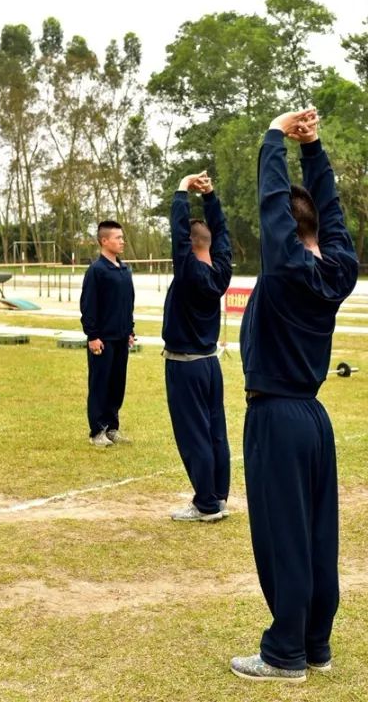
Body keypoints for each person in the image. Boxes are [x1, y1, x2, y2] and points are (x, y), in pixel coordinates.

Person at [231, 109, 359, 683]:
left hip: (278, 417)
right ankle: (316, 641)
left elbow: (273, 206)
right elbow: (330, 217)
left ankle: (285, 652)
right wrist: (315, 151)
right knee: (315, 535)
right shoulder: (337, 270)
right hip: (313, 417)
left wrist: (274, 138)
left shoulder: (284, 269)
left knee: (284, 536)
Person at [162, 170, 234, 521]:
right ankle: (218, 495)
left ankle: (206, 503)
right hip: (209, 364)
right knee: (215, 431)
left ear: (190, 246)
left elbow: (178, 238)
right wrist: (210, 197)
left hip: (186, 365)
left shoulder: (189, 270)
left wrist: (181, 192)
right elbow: (224, 236)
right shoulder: (220, 271)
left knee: (194, 435)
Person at [80, 220, 136, 447]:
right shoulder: (96, 271)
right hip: (102, 340)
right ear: (104, 241)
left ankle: (112, 428)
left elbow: (128, 303)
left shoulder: (124, 270)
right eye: (118, 238)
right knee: (100, 385)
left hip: (121, 338)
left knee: (116, 385)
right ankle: (97, 431)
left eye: (122, 238)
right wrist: (92, 336)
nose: (122, 241)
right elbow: (88, 305)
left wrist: (130, 330)